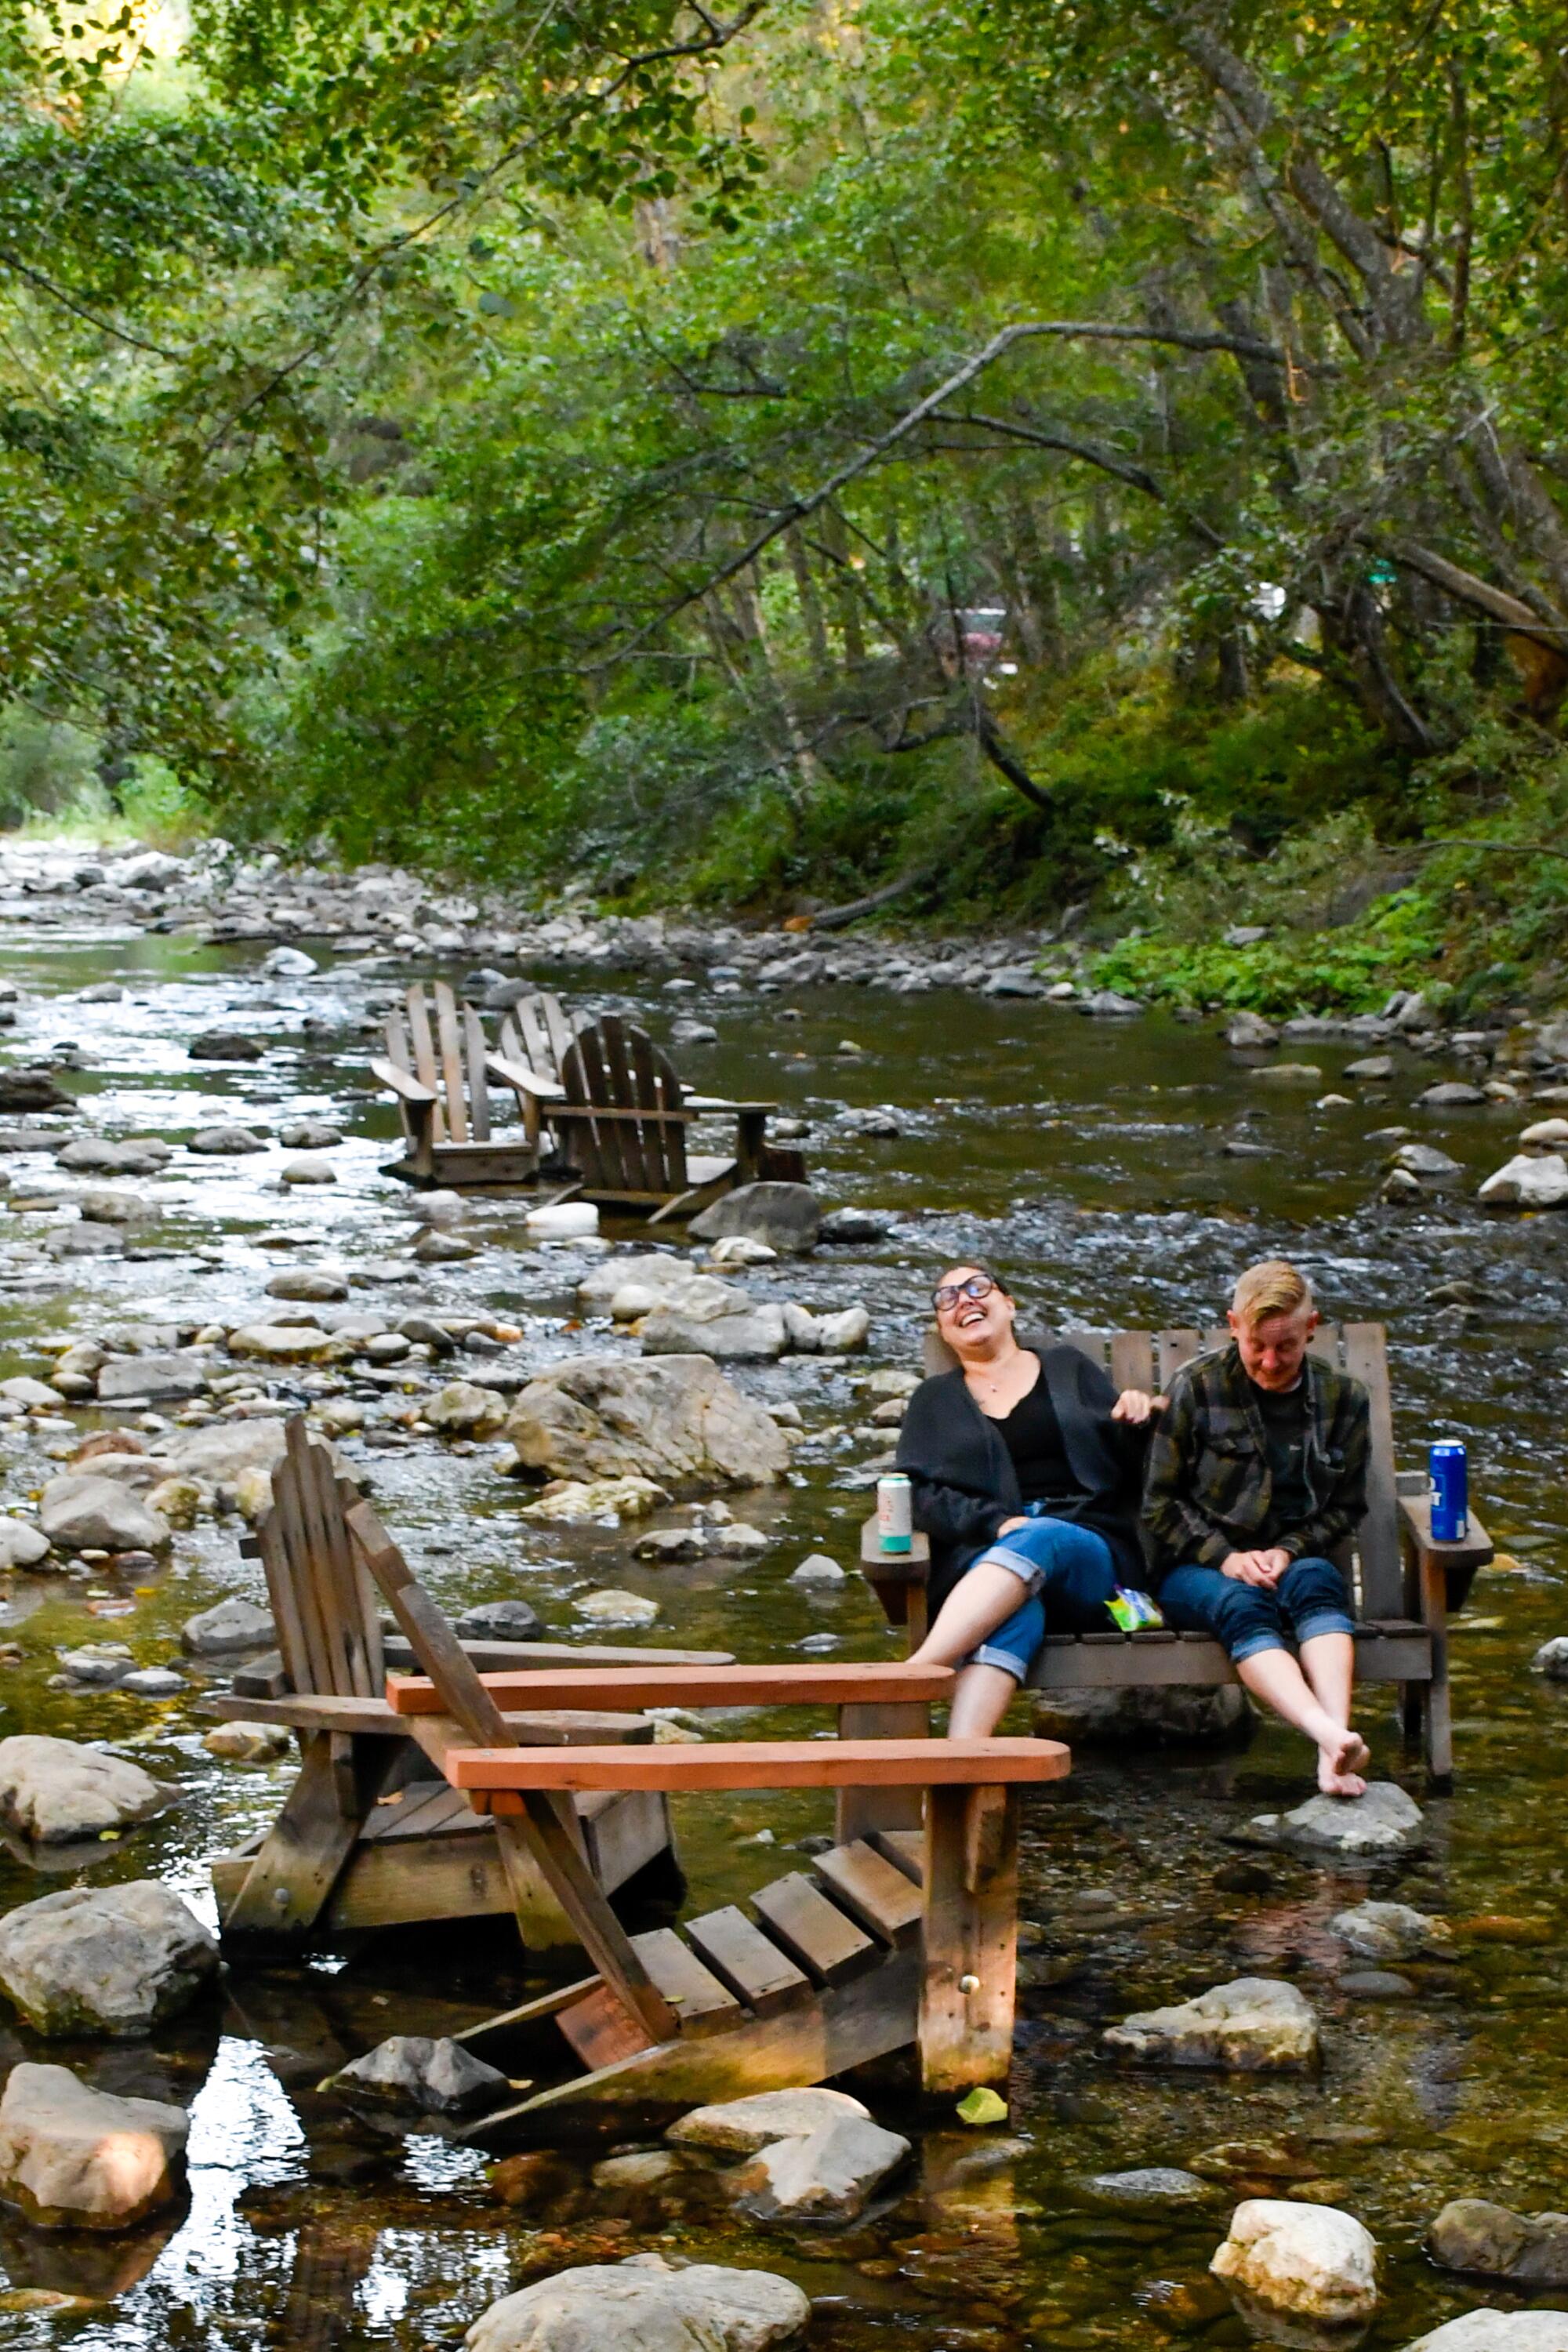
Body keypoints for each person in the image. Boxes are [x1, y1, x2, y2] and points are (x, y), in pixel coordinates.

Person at [900, 1264, 1160, 1736]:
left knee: (1044, 1536)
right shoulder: (934, 1400)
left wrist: (1142, 1415)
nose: (964, 1300)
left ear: (1009, 1304)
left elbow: (1128, 1463)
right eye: (947, 1298)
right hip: (991, 1574)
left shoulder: (1067, 1368)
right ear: (942, 1328)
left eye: (978, 1288)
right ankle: (958, 1771)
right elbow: (916, 1496)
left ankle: (916, 1673)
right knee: (1019, 1611)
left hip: (1090, 1564)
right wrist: (995, 1524)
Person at [1143, 1258, 1371, 1796]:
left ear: (1311, 1328)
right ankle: (1329, 1734)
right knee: (1241, 1604)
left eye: (1286, 1347)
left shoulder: (1344, 1399)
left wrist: (1290, 1550)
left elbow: (1347, 1507)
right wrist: (1225, 1557)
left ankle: (1332, 1751)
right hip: (1196, 1567)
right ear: (1233, 1326)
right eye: (1257, 1347)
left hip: (1291, 1560)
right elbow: (1159, 1504)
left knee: (1319, 1583)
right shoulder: (1196, 1388)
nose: (1270, 1362)